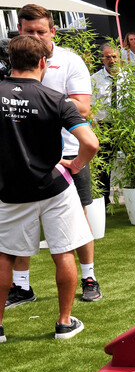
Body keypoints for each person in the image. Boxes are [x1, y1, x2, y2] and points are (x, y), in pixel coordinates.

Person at [0, 36, 98, 340]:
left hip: (10, 190)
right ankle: (64, 322)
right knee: (63, 250)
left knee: (4, 255)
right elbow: (91, 143)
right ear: (43, 62)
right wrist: (77, 164)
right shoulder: (55, 98)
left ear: (10, 62)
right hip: (53, 187)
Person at [91, 43, 119, 204]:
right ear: (102, 59)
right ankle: (104, 201)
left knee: (134, 162)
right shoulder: (94, 80)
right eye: (108, 57)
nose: (112, 60)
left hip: (126, 126)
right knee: (103, 166)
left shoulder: (129, 77)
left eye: (114, 56)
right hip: (104, 127)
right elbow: (90, 105)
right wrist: (95, 125)